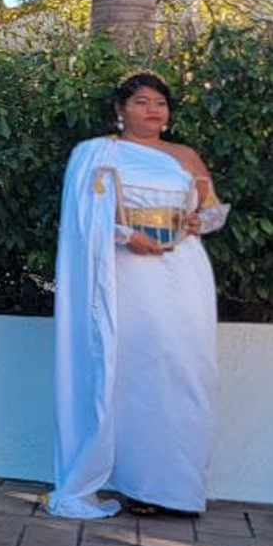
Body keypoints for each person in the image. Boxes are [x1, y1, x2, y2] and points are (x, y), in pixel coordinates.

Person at [47, 71, 227, 520]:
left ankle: (181, 490)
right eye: (143, 101)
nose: (154, 110)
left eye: (161, 103)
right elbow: (82, 219)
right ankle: (138, 484)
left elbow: (213, 209)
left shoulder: (185, 155)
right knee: (132, 371)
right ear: (120, 110)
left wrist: (197, 223)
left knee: (186, 371)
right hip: (124, 274)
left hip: (182, 272)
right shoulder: (95, 154)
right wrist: (125, 234)